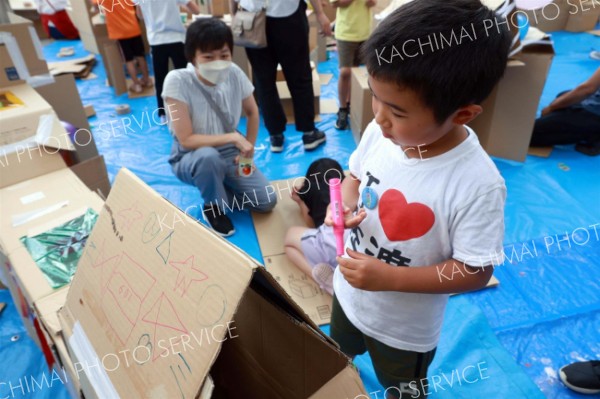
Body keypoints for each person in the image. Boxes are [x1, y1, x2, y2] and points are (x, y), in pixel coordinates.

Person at [324, 1, 511, 397]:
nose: (378, 117)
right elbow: (355, 174)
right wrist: (344, 202)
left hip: (402, 329)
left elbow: (474, 270)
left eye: (396, 110)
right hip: (347, 294)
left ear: (463, 115)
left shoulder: (477, 183)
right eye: (375, 97)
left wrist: (391, 278)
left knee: (402, 387)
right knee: (339, 355)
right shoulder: (384, 133)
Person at [163, 18, 276, 237]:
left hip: (230, 153)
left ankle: (219, 191)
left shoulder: (234, 73)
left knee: (266, 201)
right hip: (192, 155)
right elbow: (186, 139)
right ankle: (213, 208)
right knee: (208, 158)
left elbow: (252, 112)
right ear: (193, 58)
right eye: (208, 56)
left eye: (224, 55)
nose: (218, 62)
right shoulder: (176, 81)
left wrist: (247, 151)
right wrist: (233, 139)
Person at [230, 0, 332, 153]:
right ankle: (309, 133)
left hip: (252, 16)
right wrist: (320, 13)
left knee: (264, 81)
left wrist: (234, 15)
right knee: (299, 77)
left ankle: (275, 135)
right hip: (287, 16)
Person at [284, 158, 349, 295]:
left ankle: (326, 281)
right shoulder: (347, 187)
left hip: (329, 244)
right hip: (354, 249)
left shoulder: (311, 190)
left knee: (289, 241)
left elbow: (310, 223)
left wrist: (301, 202)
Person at [135, 0, 200, 120]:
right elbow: (196, 10)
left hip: (156, 40)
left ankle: (163, 113)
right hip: (177, 39)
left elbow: (140, 15)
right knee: (185, 78)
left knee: (161, 80)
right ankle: (190, 109)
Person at [530, 67, 600, 156]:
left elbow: (587, 89)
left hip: (594, 114)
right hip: (592, 102)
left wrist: (552, 107)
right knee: (563, 96)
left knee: (528, 136)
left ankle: (593, 134)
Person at [331, 0, 375, 130]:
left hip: (364, 33)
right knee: (345, 72)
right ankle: (343, 109)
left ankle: (351, 104)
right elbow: (336, 3)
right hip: (345, 33)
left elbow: (372, 3)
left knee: (360, 73)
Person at [96, 0, 152, 94]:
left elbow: (93, 3)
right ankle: (147, 80)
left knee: (128, 59)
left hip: (121, 33)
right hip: (134, 28)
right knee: (140, 56)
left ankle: (137, 84)